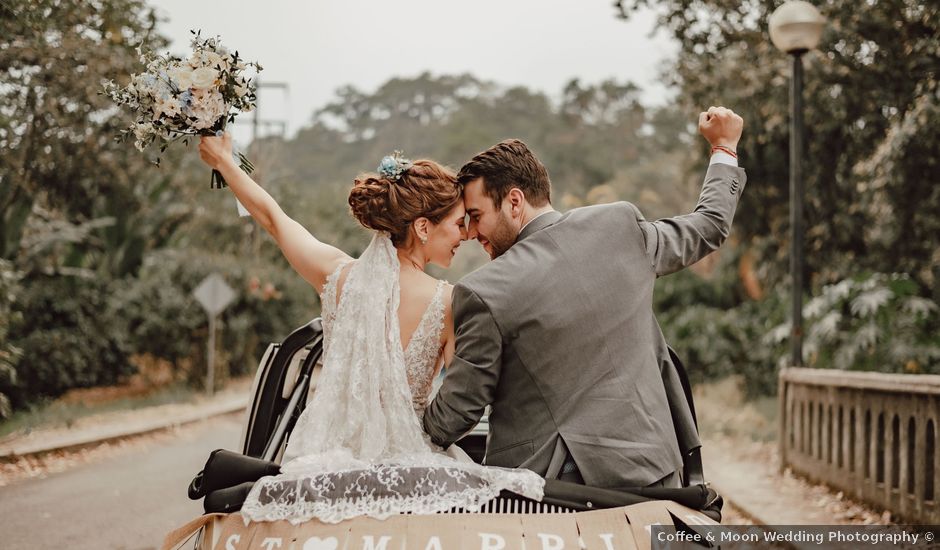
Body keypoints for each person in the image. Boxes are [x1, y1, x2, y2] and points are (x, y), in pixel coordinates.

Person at [197, 138, 543, 524]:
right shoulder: (450, 303)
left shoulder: (336, 276)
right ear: (424, 227)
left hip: (320, 461)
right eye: (458, 223)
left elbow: (273, 219)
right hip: (408, 474)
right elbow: (465, 400)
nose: (464, 235)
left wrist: (225, 163)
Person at [422, 106, 746, 489]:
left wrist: (402, 420)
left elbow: (458, 411)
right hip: (654, 470)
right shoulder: (620, 226)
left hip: (553, 492)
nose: (473, 231)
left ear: (513, 201)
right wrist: (724, 147)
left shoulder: (483, 290)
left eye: (475, 215)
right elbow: (708, 227)